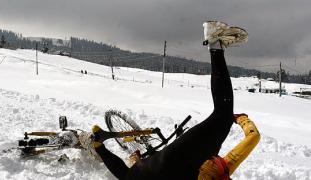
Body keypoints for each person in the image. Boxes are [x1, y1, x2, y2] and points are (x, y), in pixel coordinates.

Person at [91, 21, 260, 180]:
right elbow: (123, 174)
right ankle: (216, 45)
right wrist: (100, 148)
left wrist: (239, 119)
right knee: (222, 116)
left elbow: (252, 139)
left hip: (176, 165)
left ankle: (215, 41)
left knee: (222, 115)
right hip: (157, 168)